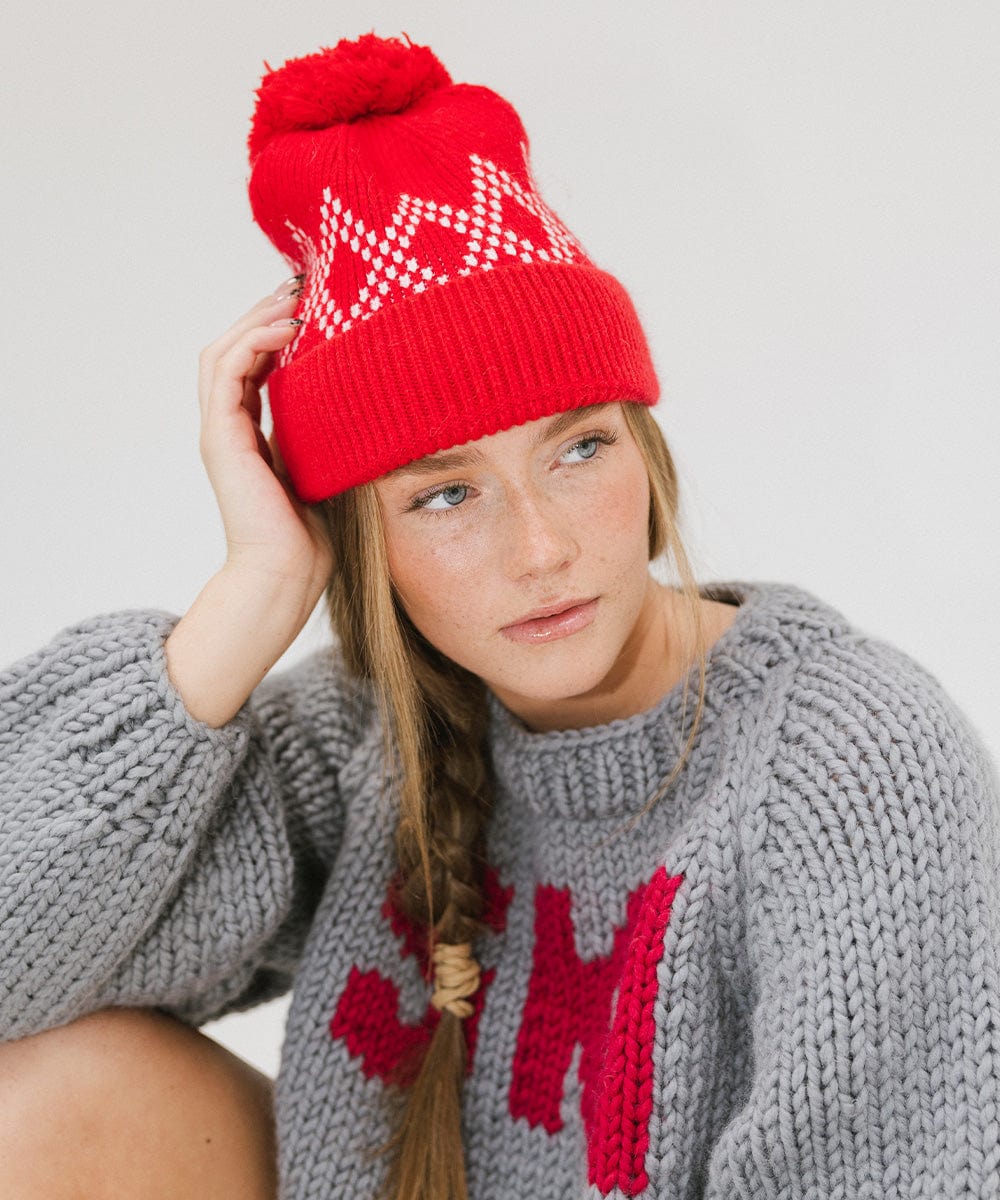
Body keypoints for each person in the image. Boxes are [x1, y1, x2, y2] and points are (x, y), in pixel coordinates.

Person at [1, 30, 998, 1200]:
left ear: (644, 448)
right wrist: (256, 589)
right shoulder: (373, 730)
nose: (542, 548)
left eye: (579, 447)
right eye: (444, 493)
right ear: (361, 540)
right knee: (49, 1097)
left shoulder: (847, 767)